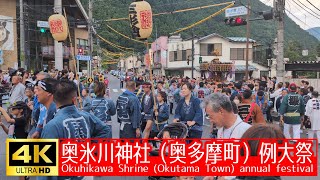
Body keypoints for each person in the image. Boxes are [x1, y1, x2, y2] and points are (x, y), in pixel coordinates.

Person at [203, 93, 251, 180]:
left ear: (221, 111)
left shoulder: (247, 131)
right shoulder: (221, 129)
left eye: (211, 116)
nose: (211, 121)